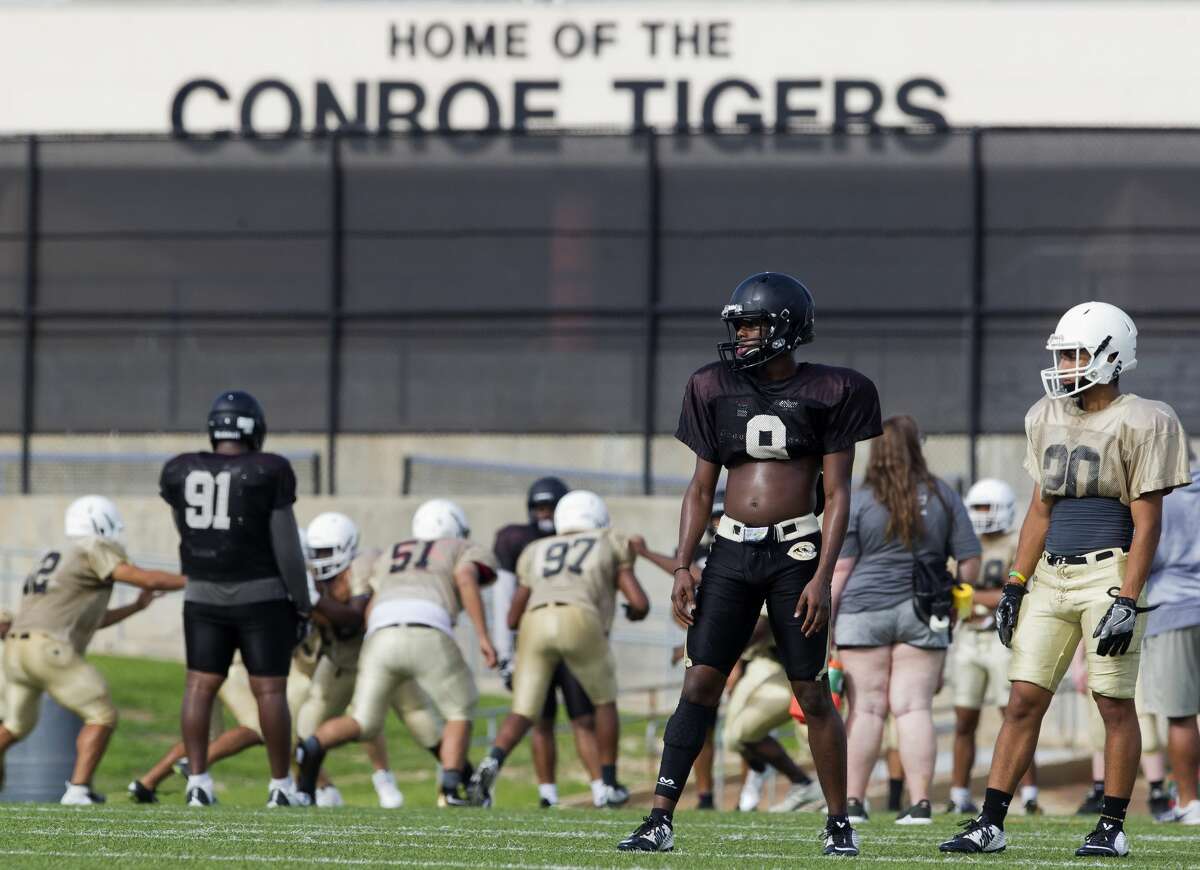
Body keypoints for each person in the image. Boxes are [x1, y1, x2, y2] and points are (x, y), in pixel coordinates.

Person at [617, 272, 882, 857]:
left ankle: (839, 821)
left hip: (795, 551)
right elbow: (699, 486)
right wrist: (685, 563)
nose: (740, 336)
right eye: (736, 325)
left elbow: (837, 495)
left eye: (751, 324)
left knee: (812, 690)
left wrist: (821, 575)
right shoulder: (712, 386)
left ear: (785, 327)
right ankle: (660, 817)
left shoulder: (836, 389)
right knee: (700, 682)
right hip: (731, 549)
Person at [939, 301, 1191, 858]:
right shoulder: (1045, 414)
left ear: (1110, 354)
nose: (1066, 364)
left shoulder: (1145, 418)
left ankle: (1112, 826)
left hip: (1110, 570)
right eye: (1063, 353)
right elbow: (1040, 509)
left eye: (1076, 353)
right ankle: (990, 822)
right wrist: (1015, 584)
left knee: (1112, 702)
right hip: (1052, 574)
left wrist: (1128, 596)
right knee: (1023, 699)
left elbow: (1148, 521)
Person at [160, 390, 314, 808]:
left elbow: (187, 529)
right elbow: (286, 547)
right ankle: (281, 786)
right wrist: (300, 601)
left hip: (203, 594)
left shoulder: (181, 469)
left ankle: (198, 784)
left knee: (199, 685)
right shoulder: (269, 469)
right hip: (261, 594)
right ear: (254, 428)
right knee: (269, 692)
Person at [296, 499, 498, 807]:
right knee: (458, 708)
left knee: (375, 720)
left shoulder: (385, 555)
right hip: (398, 639)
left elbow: (366, 610)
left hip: (377, 641)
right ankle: (454, 787)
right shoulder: (460, 548)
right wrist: (484, 636)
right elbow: (467, 578)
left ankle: (314, 762)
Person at [831, 415, 981, 825]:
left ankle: (854, 804)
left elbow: (841, 570)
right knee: (913, 709)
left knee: (866, 710)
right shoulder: (943, 495)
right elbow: (969, 562)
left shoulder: (859, 499)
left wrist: (826, 626)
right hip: (924, 609)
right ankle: (919, 805)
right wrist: (956, 604)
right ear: (918, 447)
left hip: (863, 611)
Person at [469, 490, 650, 808]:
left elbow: (512, 616)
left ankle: (493, 760)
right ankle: (608, 782)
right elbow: (639, 602)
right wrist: (634, 611)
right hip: (580, 617)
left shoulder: (536, 549)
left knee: (524, 710)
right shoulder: (609, 540)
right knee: (604, 701)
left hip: (534, 622)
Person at [0, 496, 185, 803]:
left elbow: (89, 621)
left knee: (14, 726)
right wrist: (197, 580)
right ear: (101, 522)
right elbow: (144, 577)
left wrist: (136, 607)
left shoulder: (56, 554)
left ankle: (78, 789)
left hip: (15, 652)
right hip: (47, 648)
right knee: (102, 714)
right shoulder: (93, 547)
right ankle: (78, 790)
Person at [297, 511, 443, 809]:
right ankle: (307, 793)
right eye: (316, 552)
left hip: (378, 658)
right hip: (339, 661)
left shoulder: (363, 566)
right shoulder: (312, 576)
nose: (320, 559)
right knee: (304, 730)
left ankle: (459, 777)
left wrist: (311, 600)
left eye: (327, 552)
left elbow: (352, 620)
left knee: (419, 718)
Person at [494, 478, 607, 809]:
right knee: (542, 721)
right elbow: (507, 598)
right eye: (539, 508)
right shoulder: (524, 544)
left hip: (543, 636)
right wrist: (506, 654)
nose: (544, 514)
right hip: (550, 638)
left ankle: (599, 786)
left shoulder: (547, 544)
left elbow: (510, 609)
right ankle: (550, 793)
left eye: (550, 508)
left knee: (581, 718)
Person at [948, 478, 1040, 815]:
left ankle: (1029, 793)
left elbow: (1014, 592)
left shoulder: (1016, 542)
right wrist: (981, 599)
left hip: (1004, 638)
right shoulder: (963, 543)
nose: (982, 515)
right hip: (970, 639)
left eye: (987, 508)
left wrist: (974, 598)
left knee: (1014, 714)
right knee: (963, 719)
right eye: (977, 508)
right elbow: (953, 593)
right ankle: (958, 793)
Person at [631, 494, 726, 811]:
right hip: (710, 638)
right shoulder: (696, 552)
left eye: (721, 517)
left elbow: (699, 576)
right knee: (700, 717)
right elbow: (684, 580)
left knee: (739, 727)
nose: (717, 524)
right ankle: (705, 796)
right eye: (713, 518)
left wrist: (646, 554)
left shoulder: (742, 548)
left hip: (749, 638)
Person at [1142, 446, 1200, 823]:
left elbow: (1150, 554)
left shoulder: (1161, 497)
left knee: (1180, 715)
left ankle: (1188, 802)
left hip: (1172, 607)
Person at [723, 611, 823, 813]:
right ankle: (799, 783)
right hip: (767, 662)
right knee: (735, 737)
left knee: (813, 733)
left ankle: (843, 796)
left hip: (808, 666)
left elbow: (759, 628)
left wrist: (718, 650)